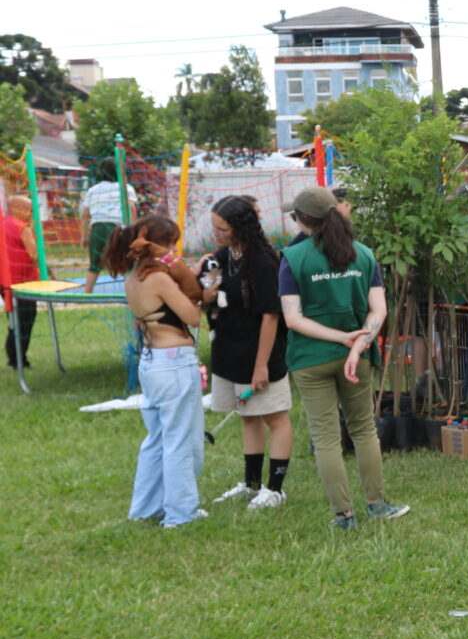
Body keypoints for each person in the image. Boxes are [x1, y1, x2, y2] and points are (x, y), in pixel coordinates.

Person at [279, 184, 408, 531]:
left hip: (310, 358)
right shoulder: (363, 253)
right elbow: (378, 311)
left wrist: (341, 339)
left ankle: (344, 516)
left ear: (302, 221)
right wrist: (355, 345)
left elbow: (293, 319)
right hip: (357, 357)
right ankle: (377, 504)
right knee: (364, 429)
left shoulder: (292, 258)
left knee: (325, 437)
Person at [106, 215, 207, 528]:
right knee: (181, 441)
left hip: (151, 362)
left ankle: (145, 508)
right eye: (173, 244)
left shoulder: (132, 277)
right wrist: (199, 290)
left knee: (156, 439)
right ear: (164, 247)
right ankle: (181, 514)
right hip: (173, 362)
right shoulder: (160, 278)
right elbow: (192, 316)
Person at [199, 196, 293, 510]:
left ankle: (275, 489)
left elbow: (270, 315)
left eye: (221, 228)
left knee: (275, 418)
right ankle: (251, 484)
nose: (216, 233)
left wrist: (261, 366)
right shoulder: (223, 256)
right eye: (214, 227)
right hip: (229, 353)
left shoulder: (264, 260)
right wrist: (206, 291)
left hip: (260, 355)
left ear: (239, 227)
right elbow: (206, 288)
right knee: (247, 416)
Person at [4, 195, 41, 370]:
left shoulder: (3, 223)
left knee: (14, 318)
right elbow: (34, 254)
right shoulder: (23, 227)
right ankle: (18, 359)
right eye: (29, 210)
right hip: (22, 280)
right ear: (17, 209)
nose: (31, 214)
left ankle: (14, 356)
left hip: (5, 280)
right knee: (25, 318)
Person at [79, 164, 127, 293]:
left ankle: (87, 293)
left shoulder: (93, 190)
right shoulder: (125, 188)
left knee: (94, 265)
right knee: (127, 262)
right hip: (118, 228)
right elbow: (131, 208)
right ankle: (132, 292)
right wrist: (132, 228)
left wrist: (84, 237)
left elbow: (84, 216)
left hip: (98, 227)